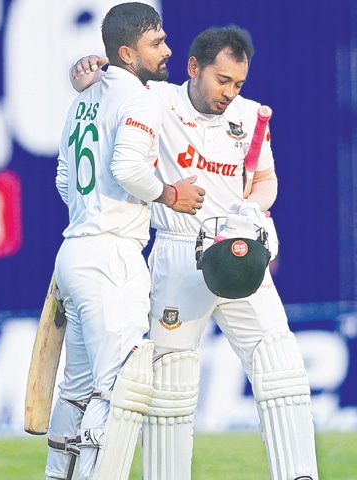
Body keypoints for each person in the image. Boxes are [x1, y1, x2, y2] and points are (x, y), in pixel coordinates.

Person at [71, 24, 319, 480]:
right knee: (170, 384)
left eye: (238, 83)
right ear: (193, 68)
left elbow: (265, 180)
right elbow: (104, 84)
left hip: (241, 250)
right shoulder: (156, 101)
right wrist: (83, 74)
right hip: (180, 253)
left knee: (280, 366)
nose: (229, 92)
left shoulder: (249, 116)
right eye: (221, 80)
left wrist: (251, 207)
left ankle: (299, 474)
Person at [46, 3, 205, 480]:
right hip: (110, 256)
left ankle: (59, 476)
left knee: (76, 389)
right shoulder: (138, 98)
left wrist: (92, 210)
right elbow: (128, 169)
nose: (168, 49)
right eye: (156, 42)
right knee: (118, 389)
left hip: (73, 252)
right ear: (126, 52)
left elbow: (62, 181)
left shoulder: (84, 98)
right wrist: (171, 194)